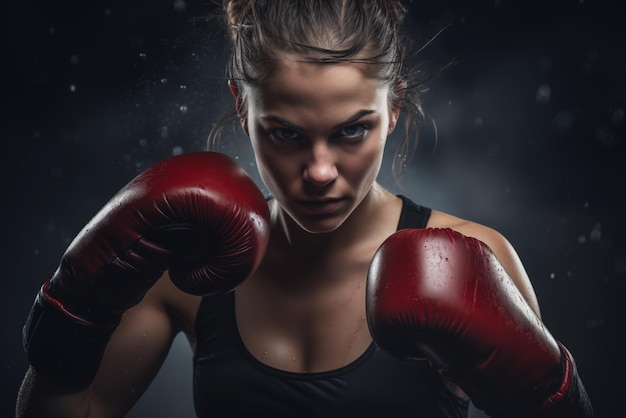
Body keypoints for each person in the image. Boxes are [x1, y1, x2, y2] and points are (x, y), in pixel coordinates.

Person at [16, 1, 594, 417]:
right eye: (287, 134)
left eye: (352, 130)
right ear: (243, 107)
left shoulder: (475, 258)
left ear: (393, 109)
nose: (320, 171)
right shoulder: (187, 267)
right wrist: (74, 307)